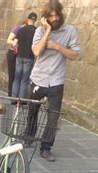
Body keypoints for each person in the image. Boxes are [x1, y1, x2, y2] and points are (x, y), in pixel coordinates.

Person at [26, 0, 82, 162]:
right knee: (32, 111)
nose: (55, 18)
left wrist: (58, 47)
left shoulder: (70, 31)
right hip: (38, 79)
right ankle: (29, 136)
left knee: (53, 117)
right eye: (51, 17)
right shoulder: (39, 31)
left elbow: (77, 55)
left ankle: (46, 147)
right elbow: (36, 51)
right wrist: (48, 30)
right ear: (45, 18)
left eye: (57, 15)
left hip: (56, 81)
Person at [11, 12, 37, 99]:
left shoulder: (21, 29)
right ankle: (20, 100)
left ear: (28, 19)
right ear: (35, 20)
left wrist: (20, 45)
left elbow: (14, 44)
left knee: (17, 78)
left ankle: (13, 99)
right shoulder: (36, 31)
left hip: (19, 56)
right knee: (24, 80)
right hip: (29, 57)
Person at [5, 22, 22, 96]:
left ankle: (16, 93)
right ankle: (10, 93)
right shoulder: (18, 29)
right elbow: (8, 40)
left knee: (19, 75)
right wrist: (18, 44)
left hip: (21, 54)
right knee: (12, 74)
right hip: (12, 53)